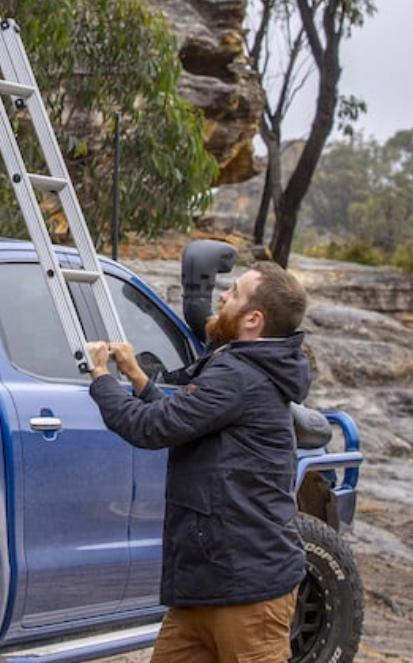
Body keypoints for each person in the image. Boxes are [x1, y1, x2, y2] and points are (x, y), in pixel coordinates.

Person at [87, 260, 311, 663]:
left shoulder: (239, 374)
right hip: (206, 585)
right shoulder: (243, 371)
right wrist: (138, 379)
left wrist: (100, 377)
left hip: (248, 592)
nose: (222, 297)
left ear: (253, 320)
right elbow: (186, 421)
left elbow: (149, 430)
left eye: (234, 294)